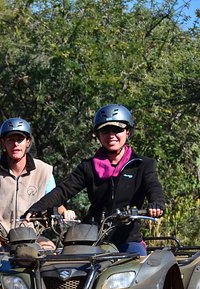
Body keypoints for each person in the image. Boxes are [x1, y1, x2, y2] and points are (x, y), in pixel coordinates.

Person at [24, 104, 165, 256]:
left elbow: (153, 186)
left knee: (138, 269)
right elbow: (63, 191)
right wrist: (36, 208)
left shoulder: (142, 165)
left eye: (117, 129)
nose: (111, 135)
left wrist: (156, 204)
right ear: (98, 135)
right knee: (67, 268)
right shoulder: (88, 166)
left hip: (128, 239)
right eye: (105, 130)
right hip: (91, 237)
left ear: (128, 132)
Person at [0, 117, 74, 253]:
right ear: (3, 143)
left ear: (27, 142)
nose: (16, 144)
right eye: (10, 140)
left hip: (31, 235)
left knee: (49, 249)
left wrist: (65, 212)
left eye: (20, 140)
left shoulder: (43, 170)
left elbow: (54, 201)